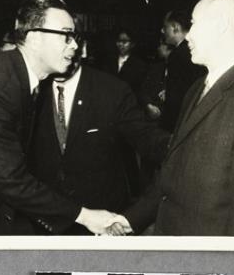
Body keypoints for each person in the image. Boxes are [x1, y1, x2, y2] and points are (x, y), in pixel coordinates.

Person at [110, 0, 234, 236]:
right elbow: (173, 168)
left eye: (194, 24)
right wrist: (129, 220)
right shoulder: (198, 87)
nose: (189, 36)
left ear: (221, 26)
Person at [0, 0, 118, 235]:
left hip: (0, 208)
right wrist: (85, 216)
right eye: (66, 35)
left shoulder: (21, 76)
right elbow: (10, 179)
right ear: (34, 39)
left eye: (74, 36)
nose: (74, 45)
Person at [28, 41, 171, 234]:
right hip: (44, 220)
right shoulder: (29, 89)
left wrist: (186, 144)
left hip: (103, 221)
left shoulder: (112, 90)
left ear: (82, 48)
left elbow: (149, 140)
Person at [159, 10, 206, 131]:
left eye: (165, 27)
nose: (162, 31)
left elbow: (175, 98)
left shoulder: (177, 55)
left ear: (175, 27)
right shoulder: (197, 50)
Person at [104, 29, 148, 95]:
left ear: (132, 44)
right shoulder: (109, 61)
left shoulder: (139, 65)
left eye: (124, 41)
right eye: (119, 41)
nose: (121, 44)